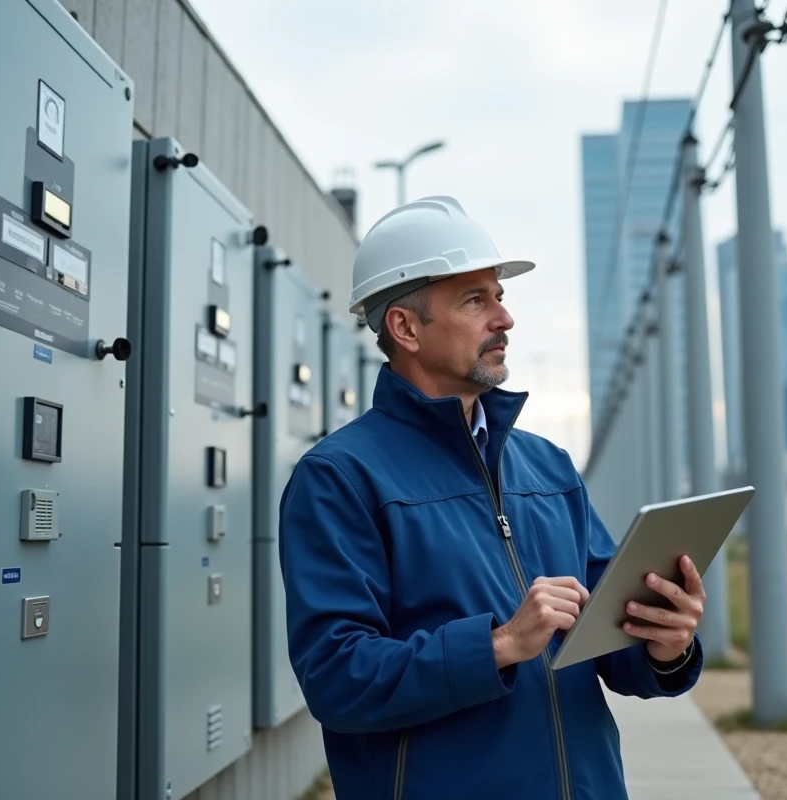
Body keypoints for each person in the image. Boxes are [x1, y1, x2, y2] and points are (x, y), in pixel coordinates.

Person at [278, 196, 705, 799]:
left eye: (499, 297)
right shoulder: (340, 478)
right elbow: (338, 677)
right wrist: (500, 644)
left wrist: (666, 645)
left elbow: (611, 642)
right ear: (404, 327)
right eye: (475, 300)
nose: (503, 319)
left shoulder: (548, 466)